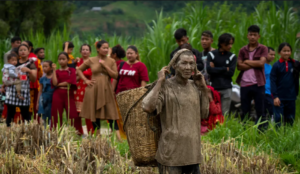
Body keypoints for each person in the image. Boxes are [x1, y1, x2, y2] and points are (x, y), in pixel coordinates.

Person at [142, 48, 209, 174]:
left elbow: (204, 114)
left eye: (191, 63)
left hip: (192, 154)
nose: (188, 67)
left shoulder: (195, 86)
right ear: (174, 65)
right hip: (170, 155)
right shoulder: (165, 86)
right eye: (184, 63)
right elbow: (147, 107)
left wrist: (203, 88)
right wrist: (160, 81)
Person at [77, 40, 119, 135]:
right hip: (93, 88)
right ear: (98, 49)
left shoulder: (111, 61)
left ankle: (118, 139)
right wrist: (86, 80)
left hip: (106, 88)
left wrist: (105, 66)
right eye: (103, 48)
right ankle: (98, 137)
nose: (106, 50)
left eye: (107, 48)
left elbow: (115, 76)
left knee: (111, 112)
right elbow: (79, 70)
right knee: (94, 113)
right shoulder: (91, 60)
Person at [236, 25, 268, 129]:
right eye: (251, 35)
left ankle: (261, 131)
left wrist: (247, 61)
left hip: (258, 84)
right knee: (245, 110)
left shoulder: (263, 48)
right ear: (247, 36)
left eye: (255, 35)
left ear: (259, 36)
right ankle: (244, 131)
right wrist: (255, 63)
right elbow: (239, 66)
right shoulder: (242, 50)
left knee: (260, 110)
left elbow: (261, 63)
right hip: (245, 84)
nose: (252, 37)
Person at [5, 44, 37, 128]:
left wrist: (29, 71)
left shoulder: (31, 64)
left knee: (25, 113)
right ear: (18, 52)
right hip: (12, 90)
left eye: (24, 50)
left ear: (28, 51)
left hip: (24, 91)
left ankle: (29, 132)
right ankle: (8, 131)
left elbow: (33, 79)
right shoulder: (14, 62)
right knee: (10, 113)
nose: (22, 52)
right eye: (20, 50)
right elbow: (6, 74)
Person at [51, 52, 83, 134]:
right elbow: (54, 83)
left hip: (69, 93)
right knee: (56, 114)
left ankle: (76, 132)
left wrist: (59, 84)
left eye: (63, 59)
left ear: (68, 60)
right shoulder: (57, 71)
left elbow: (70, 81)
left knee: (73, 114)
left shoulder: (71, 70)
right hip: (57, 94)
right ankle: (56, 133)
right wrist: (54, 70)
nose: (61, 61)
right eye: (60, 59)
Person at [206, 33, 237, 115]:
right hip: (214, 88)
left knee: (224, 114)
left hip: (227, 88)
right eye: (228, 44)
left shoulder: (232, 56)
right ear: (221, 43)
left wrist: (215, 68)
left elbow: (230, 73)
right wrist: (224, 68)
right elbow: (209, 70)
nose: (230, 46)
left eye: (231, 44)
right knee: (213, 113)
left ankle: (223, 128)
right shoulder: (211, 54)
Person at [271, 43, 299, 127]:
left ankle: (288, 136)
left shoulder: (295, 64)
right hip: (279, 97)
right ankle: (278, 136)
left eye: (288, 51)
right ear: (279, 52)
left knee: (290, 118)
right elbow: (273, 81)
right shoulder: (276, 65)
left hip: (291, 97)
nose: (286, 53)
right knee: (278, 118)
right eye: (284, 51)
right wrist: (275, 96)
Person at [74, 44, 94, 134]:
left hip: (89, 89)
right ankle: (78, 131)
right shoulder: (77, 62)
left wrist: (79, 73)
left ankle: (91, 132)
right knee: (77, 112)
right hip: (77, 89)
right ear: (80, 51)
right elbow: (74, 75)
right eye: (83, 49)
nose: (85, 51)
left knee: (88, 112)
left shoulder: (93, 62)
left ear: (90, 52)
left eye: (87, 49)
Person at [22, 41, 42, 121]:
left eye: (25, 47)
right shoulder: (36, 59)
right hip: (32, 85)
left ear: (29, 48)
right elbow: (40, 74)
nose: (23, 50)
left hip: (28, 85)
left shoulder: (32, 60)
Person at [110, 44, 127, 141]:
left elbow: (115, 79)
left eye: (111, 53)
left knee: (117, 115)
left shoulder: (118, 64)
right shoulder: (124, 63)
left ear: (114, 55)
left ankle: (121, 137)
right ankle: (118, 136)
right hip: (118, 92)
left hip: (116, 93)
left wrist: (112, 91)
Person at [36, 61, 54, 127]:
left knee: (49, 114)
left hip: (52, 97)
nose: (44, 68)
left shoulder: (54, 77)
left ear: (51, 68)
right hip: (43, 98)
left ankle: (50, 129)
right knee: (43, 116)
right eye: (43, 67)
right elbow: (40, 91)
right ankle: (44, 130)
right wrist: (38, 102)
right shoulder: (42, 79)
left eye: (46, 66)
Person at [264, 47, 276, 122]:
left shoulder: (270, 66)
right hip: (265, 92)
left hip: (270, 93)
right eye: (271, 54)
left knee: (271, 112)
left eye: (274, 55)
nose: (273, 56)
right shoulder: (262, 66)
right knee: (267, 112)